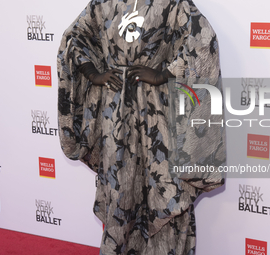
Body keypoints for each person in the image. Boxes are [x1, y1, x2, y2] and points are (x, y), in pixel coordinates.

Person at [57, 0, 226, 254]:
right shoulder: (103, 3)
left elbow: (203, 41)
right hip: (116, 118)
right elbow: (73, 38)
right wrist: (94, 74)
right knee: (121, 189)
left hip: (159, 116)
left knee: (165, 189)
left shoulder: (173, 3)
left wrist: (165, 73)